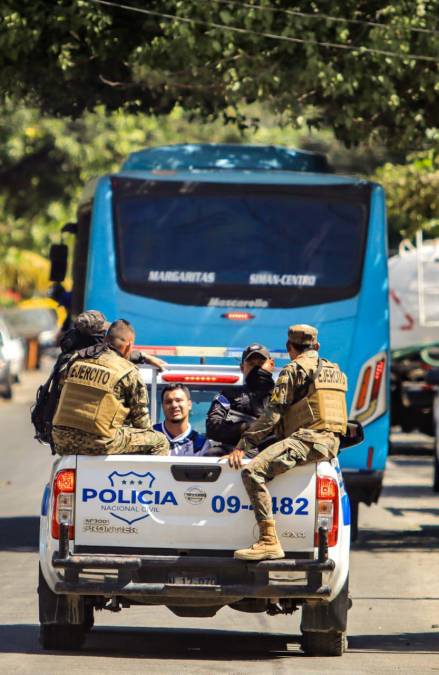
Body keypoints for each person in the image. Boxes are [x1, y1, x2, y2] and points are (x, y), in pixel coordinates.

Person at [228, 324, 348, 561]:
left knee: (253, 471)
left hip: (308, 440)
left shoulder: (293, 370)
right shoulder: (335, 371)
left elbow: (273, 414)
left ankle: (268, 540)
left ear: (289, 347)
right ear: (317, 346)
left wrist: (244, 445)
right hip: (330, 443)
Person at [51, 319, 169, 456]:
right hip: (98, 443)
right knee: (159, 441)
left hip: (61, 441)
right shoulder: (128, 371)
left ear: (106, 339)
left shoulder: (77, 360)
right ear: (130, 344)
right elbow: (141, 423)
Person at [206, 343, 275, 451]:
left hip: (272, 457)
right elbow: (212, 427)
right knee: (213, 453)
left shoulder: (284, 395)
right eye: (251, 364)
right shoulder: (227, 395)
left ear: (271, 364)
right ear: (242, 368)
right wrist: (246, 427)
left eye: (261, 363)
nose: (256, 369)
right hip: (234, 457)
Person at [154, 383, 211, 456]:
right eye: (168, 402)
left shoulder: (201, 444)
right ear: (163, 406)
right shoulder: (150, 435)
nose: (174, 405)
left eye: (178, 400)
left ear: (189, 405)